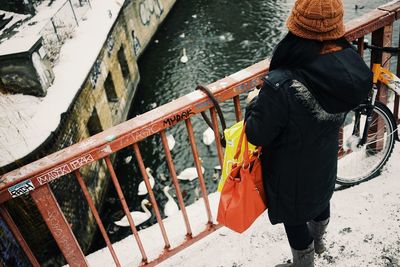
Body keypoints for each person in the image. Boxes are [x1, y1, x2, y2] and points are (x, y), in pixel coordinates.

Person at [244, 0, 373, 266]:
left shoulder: (282, 83)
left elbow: (257, 134)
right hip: (325, 159)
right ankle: (320, 243)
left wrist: (253, 103)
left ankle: (304, 262)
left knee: (294, 220)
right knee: (321, 199)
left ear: (296, 31)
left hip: (289, 171)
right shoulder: (350, 66)